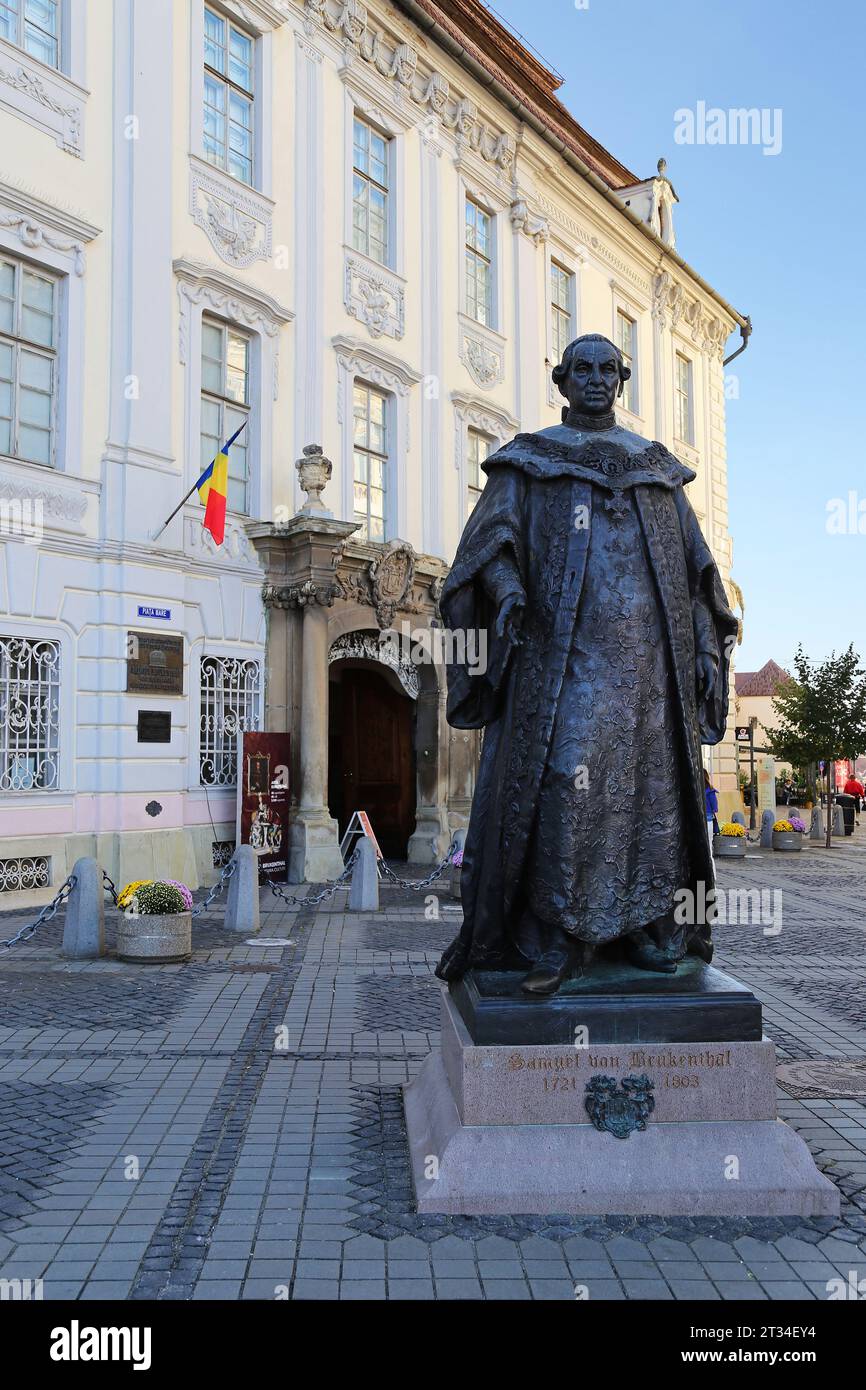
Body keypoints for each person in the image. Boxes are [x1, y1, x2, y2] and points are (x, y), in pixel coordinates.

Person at [435, 333, 737, 996]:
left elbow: (695, 576)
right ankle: (555, 940)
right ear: (562, 378)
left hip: (650, 675)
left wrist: (706, 649)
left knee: (650, 802)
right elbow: (487, 549)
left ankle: (650, 932)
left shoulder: (655, 468)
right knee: (563, 791)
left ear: (621, 380)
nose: (596, 380)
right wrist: (509, 591)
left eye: (608, 370)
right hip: (563, 662)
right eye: (583, 370)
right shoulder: (529, 461)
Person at [704, 768, 719, 853]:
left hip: (697, 819)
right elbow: (715, 807)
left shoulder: (695, 789)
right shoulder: (710, 790)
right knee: (709, 841)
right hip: (708, 817)